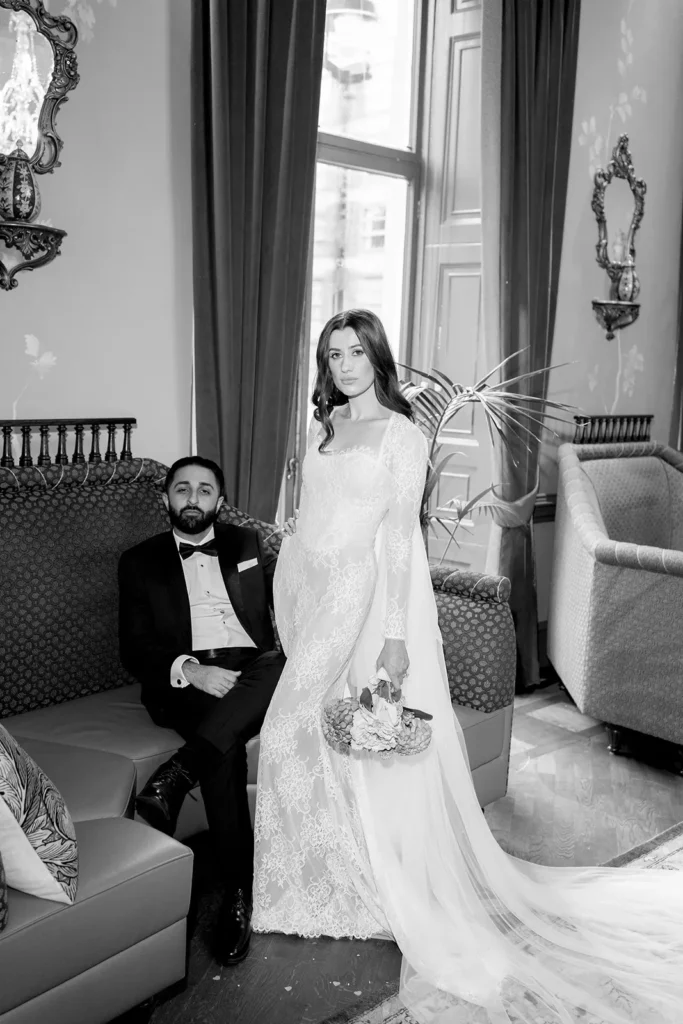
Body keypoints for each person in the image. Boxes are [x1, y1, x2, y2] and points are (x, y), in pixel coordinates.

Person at [252, 308, 683, 1024]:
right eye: (333, 356)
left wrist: (392, 636)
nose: (344, 366)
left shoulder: (403, 434)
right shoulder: (322, 430)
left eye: (356, 353)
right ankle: (312, 881)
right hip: (311, 595)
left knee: (301, 726)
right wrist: (289, 597)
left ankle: (352, 886)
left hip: (360, 602)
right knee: (322, 739)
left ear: (377, 360)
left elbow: (396, 542)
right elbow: (306, 524)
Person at [118, 456, 284, 966]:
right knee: (224, 751)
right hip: (184, 680)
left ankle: (176, 773)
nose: (193, 498)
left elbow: (295, 598)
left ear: (221, 502)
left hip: (251, 672)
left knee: (284, 662)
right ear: (165, 498)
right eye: (183, 489)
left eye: (205, 490)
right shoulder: (138, 561)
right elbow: (134, 649)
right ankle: (238, 893)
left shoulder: (248, 545)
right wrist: (193, 671)